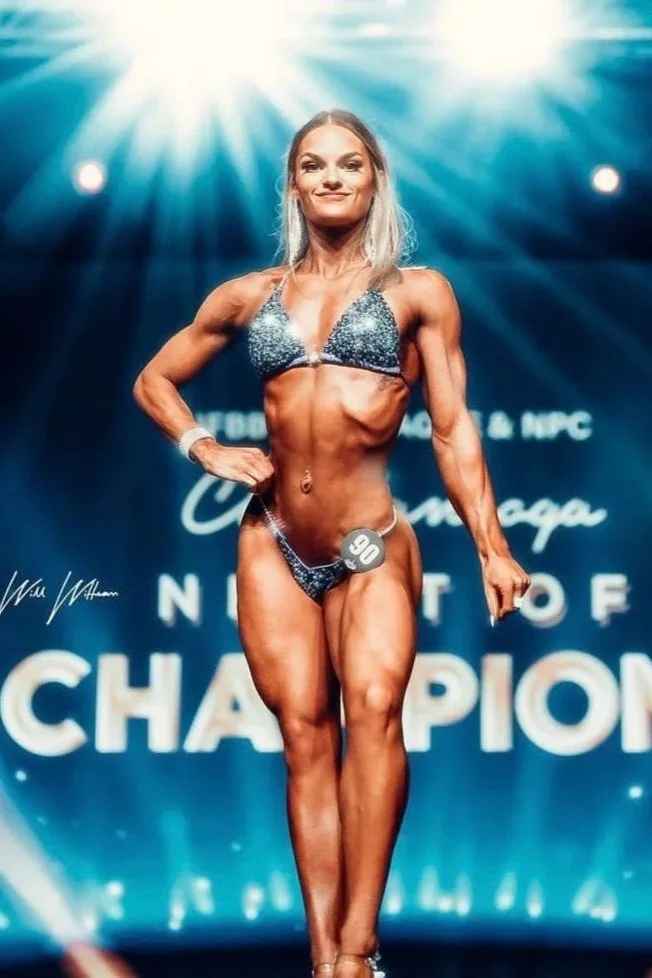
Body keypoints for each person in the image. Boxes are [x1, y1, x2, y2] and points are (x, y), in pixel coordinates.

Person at [133, 108, 530, 978]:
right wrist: (201, 445)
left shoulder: (420, 293)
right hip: (272, 537)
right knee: (305, 738)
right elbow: (154, 378)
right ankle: (324, 959)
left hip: (371, 540)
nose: (333, 178)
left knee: (376, 712)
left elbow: (454, 430)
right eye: (314, 165)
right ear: (295, 183)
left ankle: (359, 945)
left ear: (374, 177)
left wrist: (492, 545)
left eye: (350, 164)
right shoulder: (248, 295)